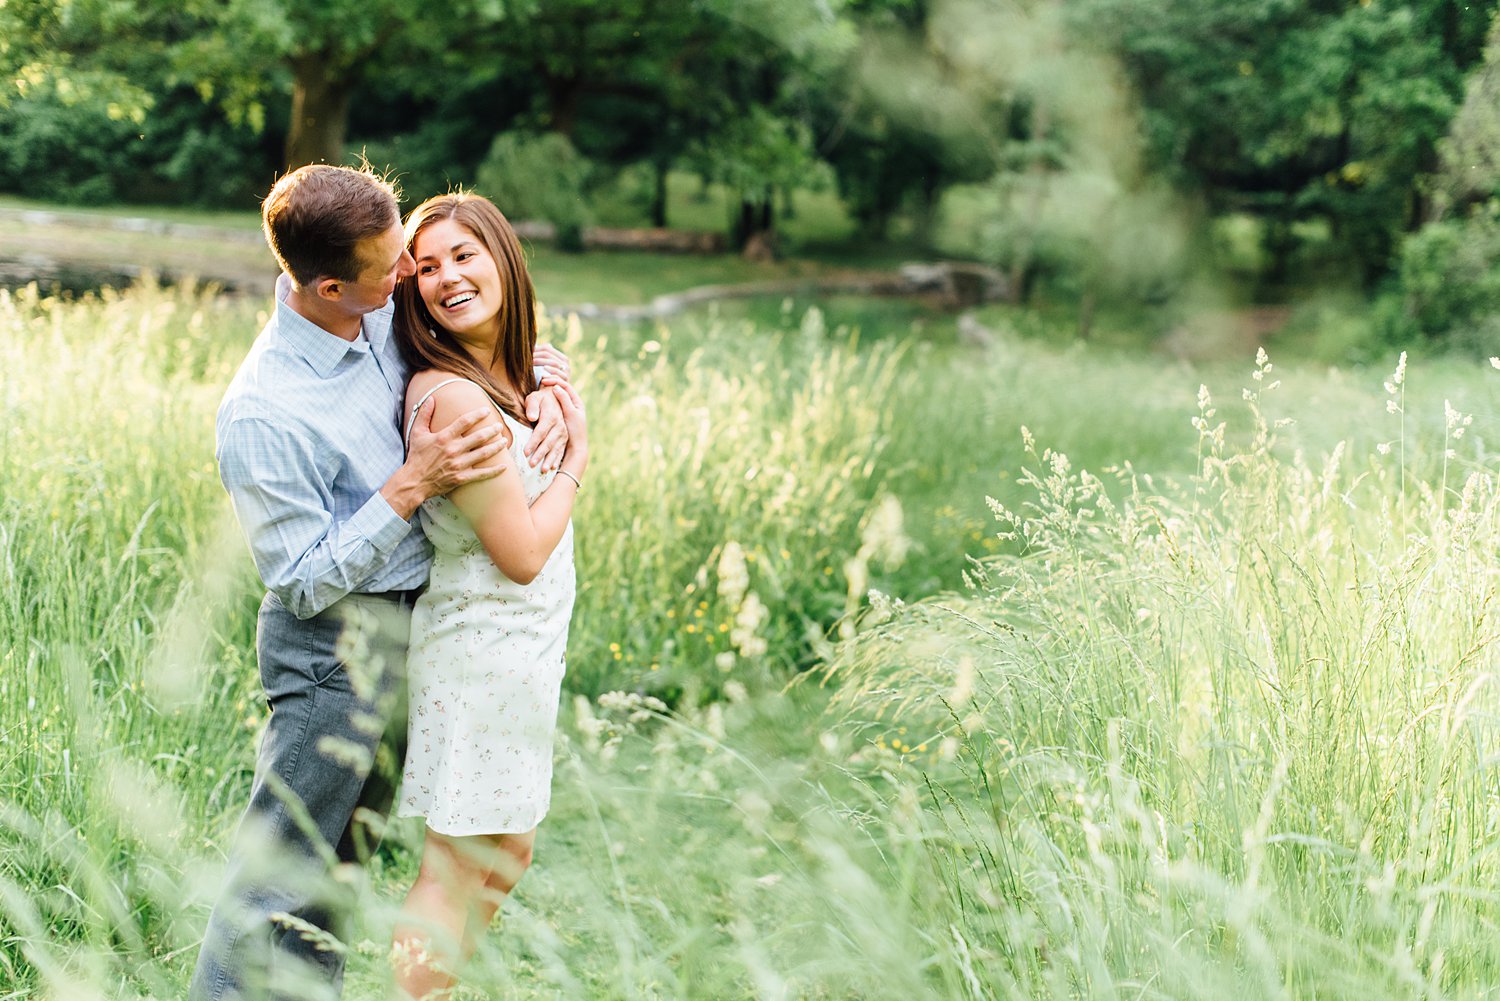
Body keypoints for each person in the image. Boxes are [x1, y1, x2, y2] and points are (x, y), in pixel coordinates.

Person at [193, 164, 570, 1001]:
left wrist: (555, 392)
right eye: (394, 264)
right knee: (281, 876)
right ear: (333, 285)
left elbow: (482, 336)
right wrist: (412, 482)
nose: (412, 275)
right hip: (332, 652)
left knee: (340, 869)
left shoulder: (371, 314)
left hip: (411, 627)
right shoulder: (263, 410)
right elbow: (297, 579)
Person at [385, 192, 588, 1000]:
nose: (446, 277)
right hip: (478, 654)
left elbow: (536, 361)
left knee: (508, 852)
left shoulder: (507, 376)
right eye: (426, 268)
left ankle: (433, 991)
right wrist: (579, 455)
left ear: (503, 255)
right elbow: (522, 552)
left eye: (463, 255)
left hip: (524, 656)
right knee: (455, 861)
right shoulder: (454, 397)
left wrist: (547, 379)